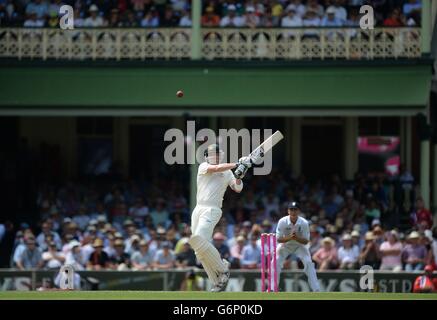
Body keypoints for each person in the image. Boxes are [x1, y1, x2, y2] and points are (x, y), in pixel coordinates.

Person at [188, 143, 248, 292]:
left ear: (220, 155)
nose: (214, 156)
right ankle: (217, 281)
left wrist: (240, 175)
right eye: (211, 153)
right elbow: (215, 169)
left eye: (217, 153)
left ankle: (223, 269)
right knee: (198, 250)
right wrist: (237, 164)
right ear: (207, 156)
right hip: (198, 208)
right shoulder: (203, 166)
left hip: (212, 209)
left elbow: (237, 188)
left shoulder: (227, 172)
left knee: (199, 239)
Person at [274, 202, 320, 292]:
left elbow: (306, 241)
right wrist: (290, 237)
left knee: (308, 263)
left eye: (295, 209)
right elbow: (278, 239)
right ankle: (273, 288)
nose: (293, 211)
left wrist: (296, 238)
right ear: (288, 211)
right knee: (275, 262)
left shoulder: (304, 223)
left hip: (299, 245)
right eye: (291, 209)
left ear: (299, 211)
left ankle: (316, 289)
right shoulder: (282, 221)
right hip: (285, 245)